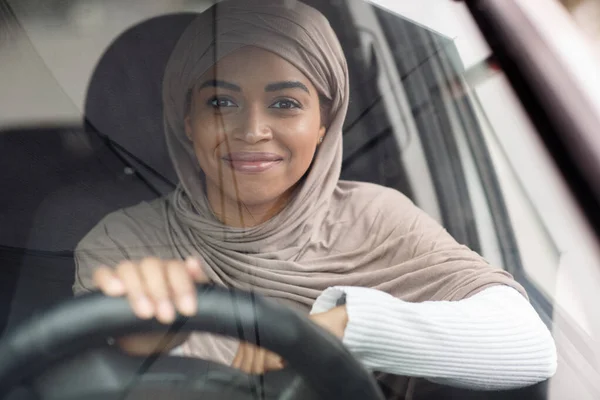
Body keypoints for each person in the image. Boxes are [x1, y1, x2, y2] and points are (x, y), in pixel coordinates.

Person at [73, 0, 556, 396]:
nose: (253, 131)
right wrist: (145, 334)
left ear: (324, 124)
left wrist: (335, 330)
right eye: (221, 102)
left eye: (285, 103)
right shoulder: (124, 240)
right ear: (187, 122)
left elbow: (528, 344)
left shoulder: (375, 217)